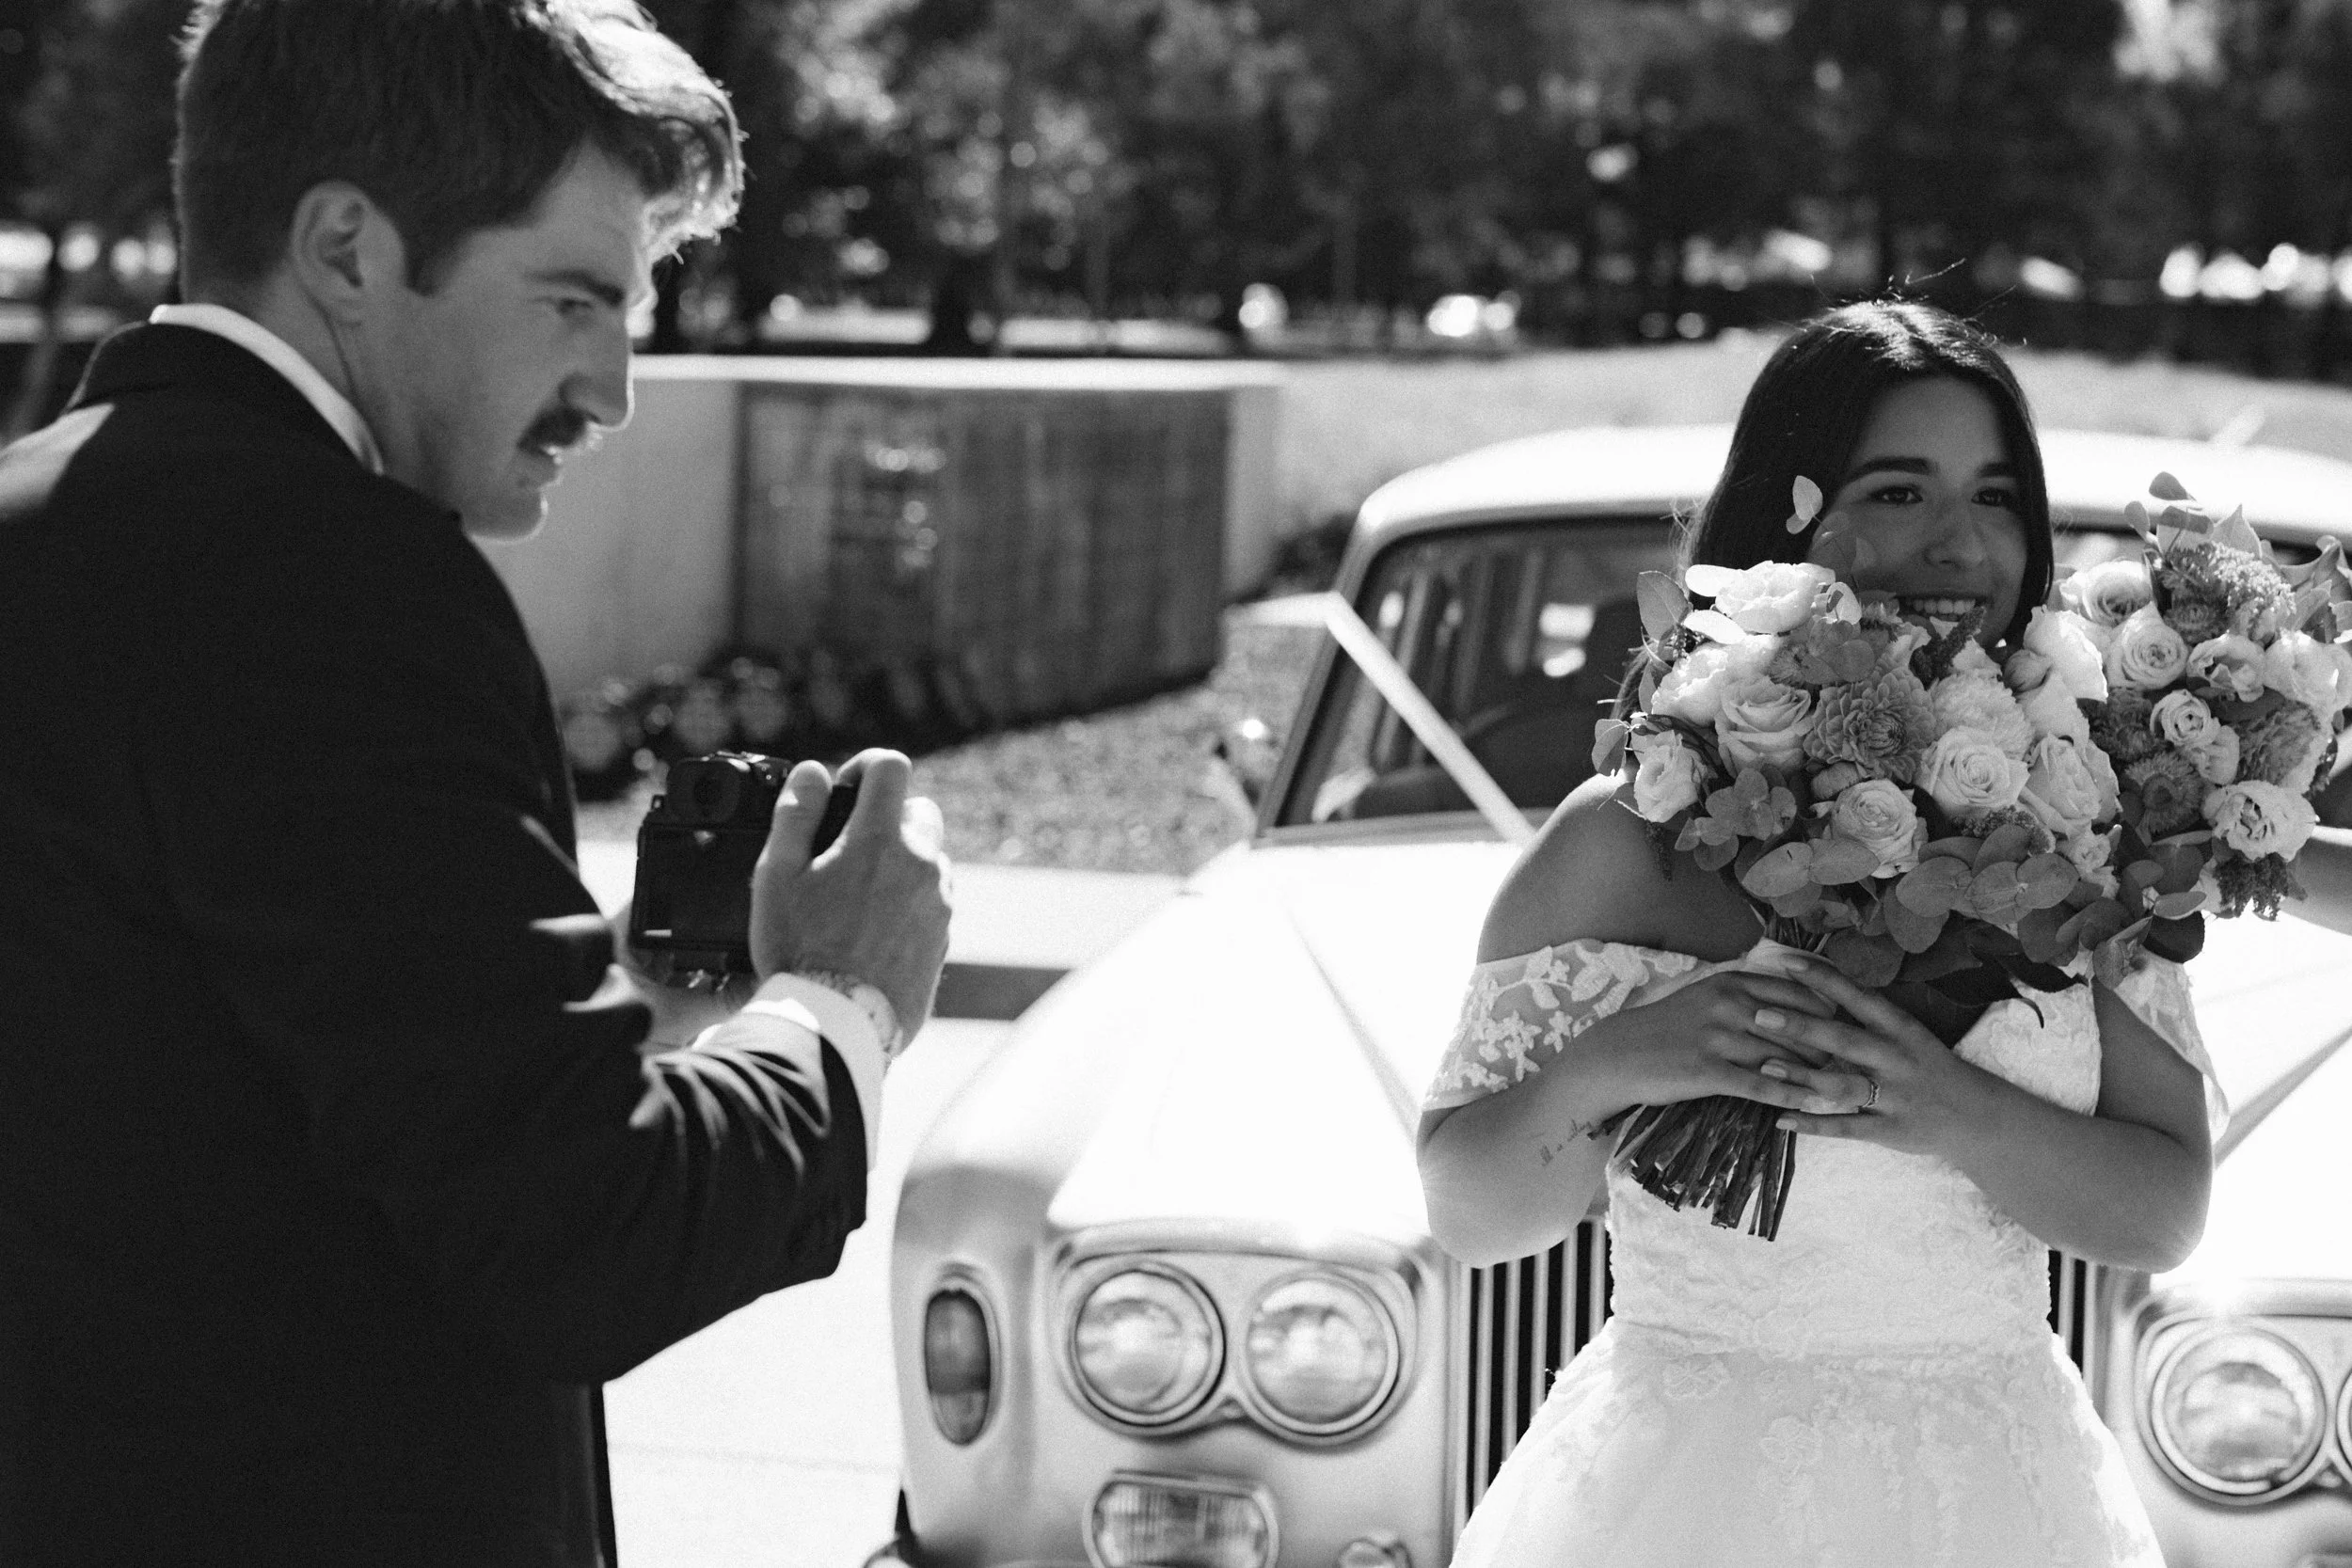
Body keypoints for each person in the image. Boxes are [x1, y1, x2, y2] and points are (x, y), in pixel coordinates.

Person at [0, 2, 950, 1563]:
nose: (615, 386)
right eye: (574, 299)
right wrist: (842, 1003)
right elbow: (586, 1227)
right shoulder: (337, 584)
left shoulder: (38, 525)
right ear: (348, 250)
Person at [1418, 302, 2224, 1567]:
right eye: (1900, 490)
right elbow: (1470, 1215)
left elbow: (2166, 1211)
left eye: (1997, 495)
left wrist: (1944, 1103)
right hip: (1672, 1502)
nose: (1963, 542)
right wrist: (1640, 1052)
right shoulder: (1626, 834)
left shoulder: (2083, 814)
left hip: (1998, 1499)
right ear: (1783, 520)